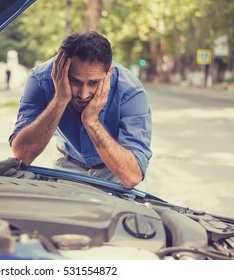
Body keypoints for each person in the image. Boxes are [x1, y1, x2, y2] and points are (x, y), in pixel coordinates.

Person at [9, 31, 152, 189]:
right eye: (74, 81)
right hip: (67, 162)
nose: (83, 94)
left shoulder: (130, 91)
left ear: (108, 73)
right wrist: (59, 100)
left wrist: (92, 122)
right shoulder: (41, 79)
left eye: (93, 83)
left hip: (115, 169)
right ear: (60, 68)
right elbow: (21, 156)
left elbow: (132, 176)